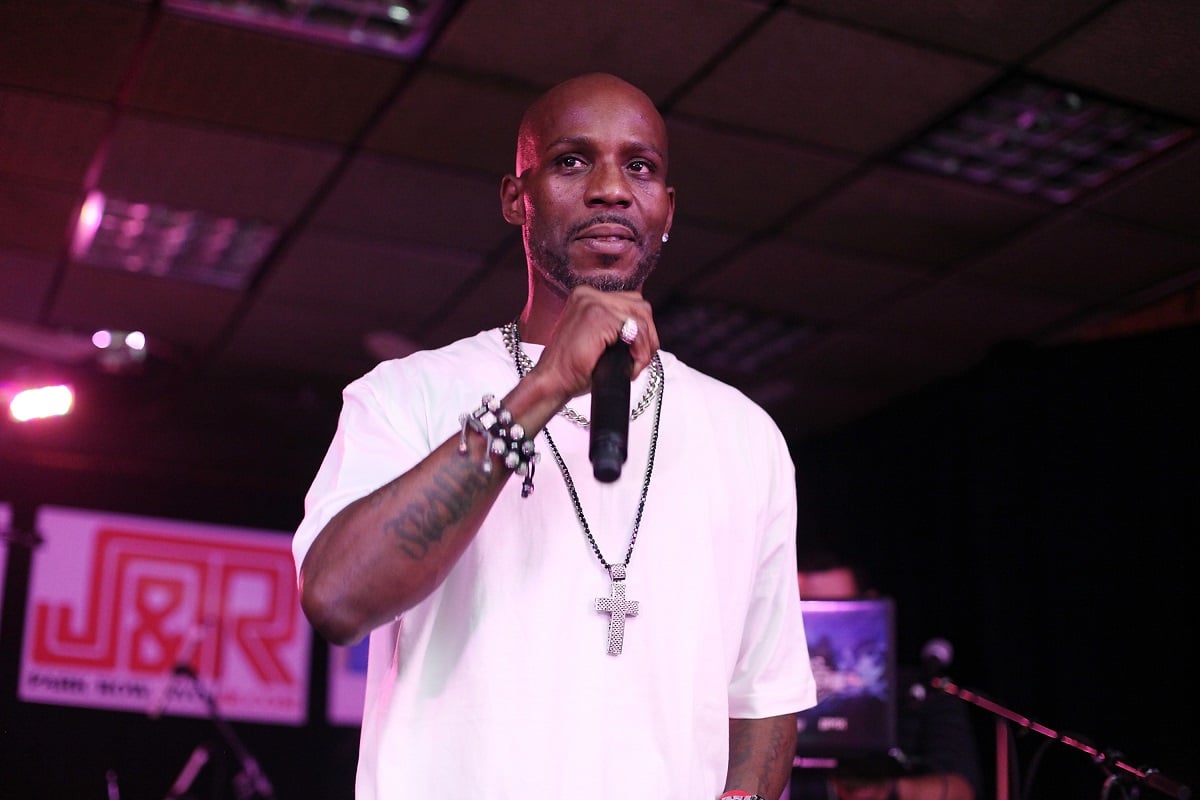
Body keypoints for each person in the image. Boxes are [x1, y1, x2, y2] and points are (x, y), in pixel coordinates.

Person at [292, 72, 817, 800]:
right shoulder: (408, 394)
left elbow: (763, 694)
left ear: (667, 209)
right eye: (572, 160)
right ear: (517, 197)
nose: (611, 187)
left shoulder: (745, 435)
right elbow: (337, 597)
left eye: (640, 166)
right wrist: (537, 392)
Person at [792, 549, 983, 800]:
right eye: (802, 612)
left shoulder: (921, 693)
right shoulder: (755, 692)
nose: (821, 631)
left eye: (838, 612)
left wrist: (888, 789)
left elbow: (962, 789)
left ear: (872, 607)